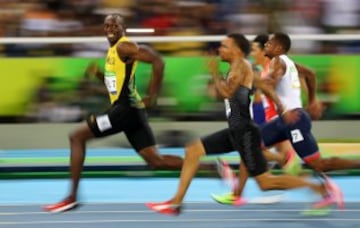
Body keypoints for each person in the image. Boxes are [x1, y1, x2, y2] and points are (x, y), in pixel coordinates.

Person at [146, 33, 339, 216]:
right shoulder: (240, 68)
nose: (220, 49)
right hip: (235, 130)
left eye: (224, 46)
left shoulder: (241, 66)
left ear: (236, 50)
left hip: (245, 132)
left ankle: (317, 187)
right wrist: (281, 106)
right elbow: (263, 86)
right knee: (193, 150)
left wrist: (214, 73)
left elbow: (227, 93)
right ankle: (176, 203)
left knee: (265, 183)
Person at [42, 14, 210, 213]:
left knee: (76, 137)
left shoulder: (124, 46)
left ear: (124, 28)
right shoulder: (114, 51)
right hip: (132, 112)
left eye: (115, 25)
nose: (110, 28)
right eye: (107, 25)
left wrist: (152, 95)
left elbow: (158, 61)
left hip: (124, 111)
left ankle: (71, 197)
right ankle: (212, 169)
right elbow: (116, 88)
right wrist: (99, 76)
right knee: (155, 161)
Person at [216, 33, 360, 209]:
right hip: (282, 122)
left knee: (319, 164)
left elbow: (272, 83)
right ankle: (237, 194)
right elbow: (310, 73)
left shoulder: (278, 62)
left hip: (294, 120)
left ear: (278, 48)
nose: (266, 46)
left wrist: (252, 82)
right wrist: (313, 99)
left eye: (269, 44)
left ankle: (341, 174)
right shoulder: (285, 63)